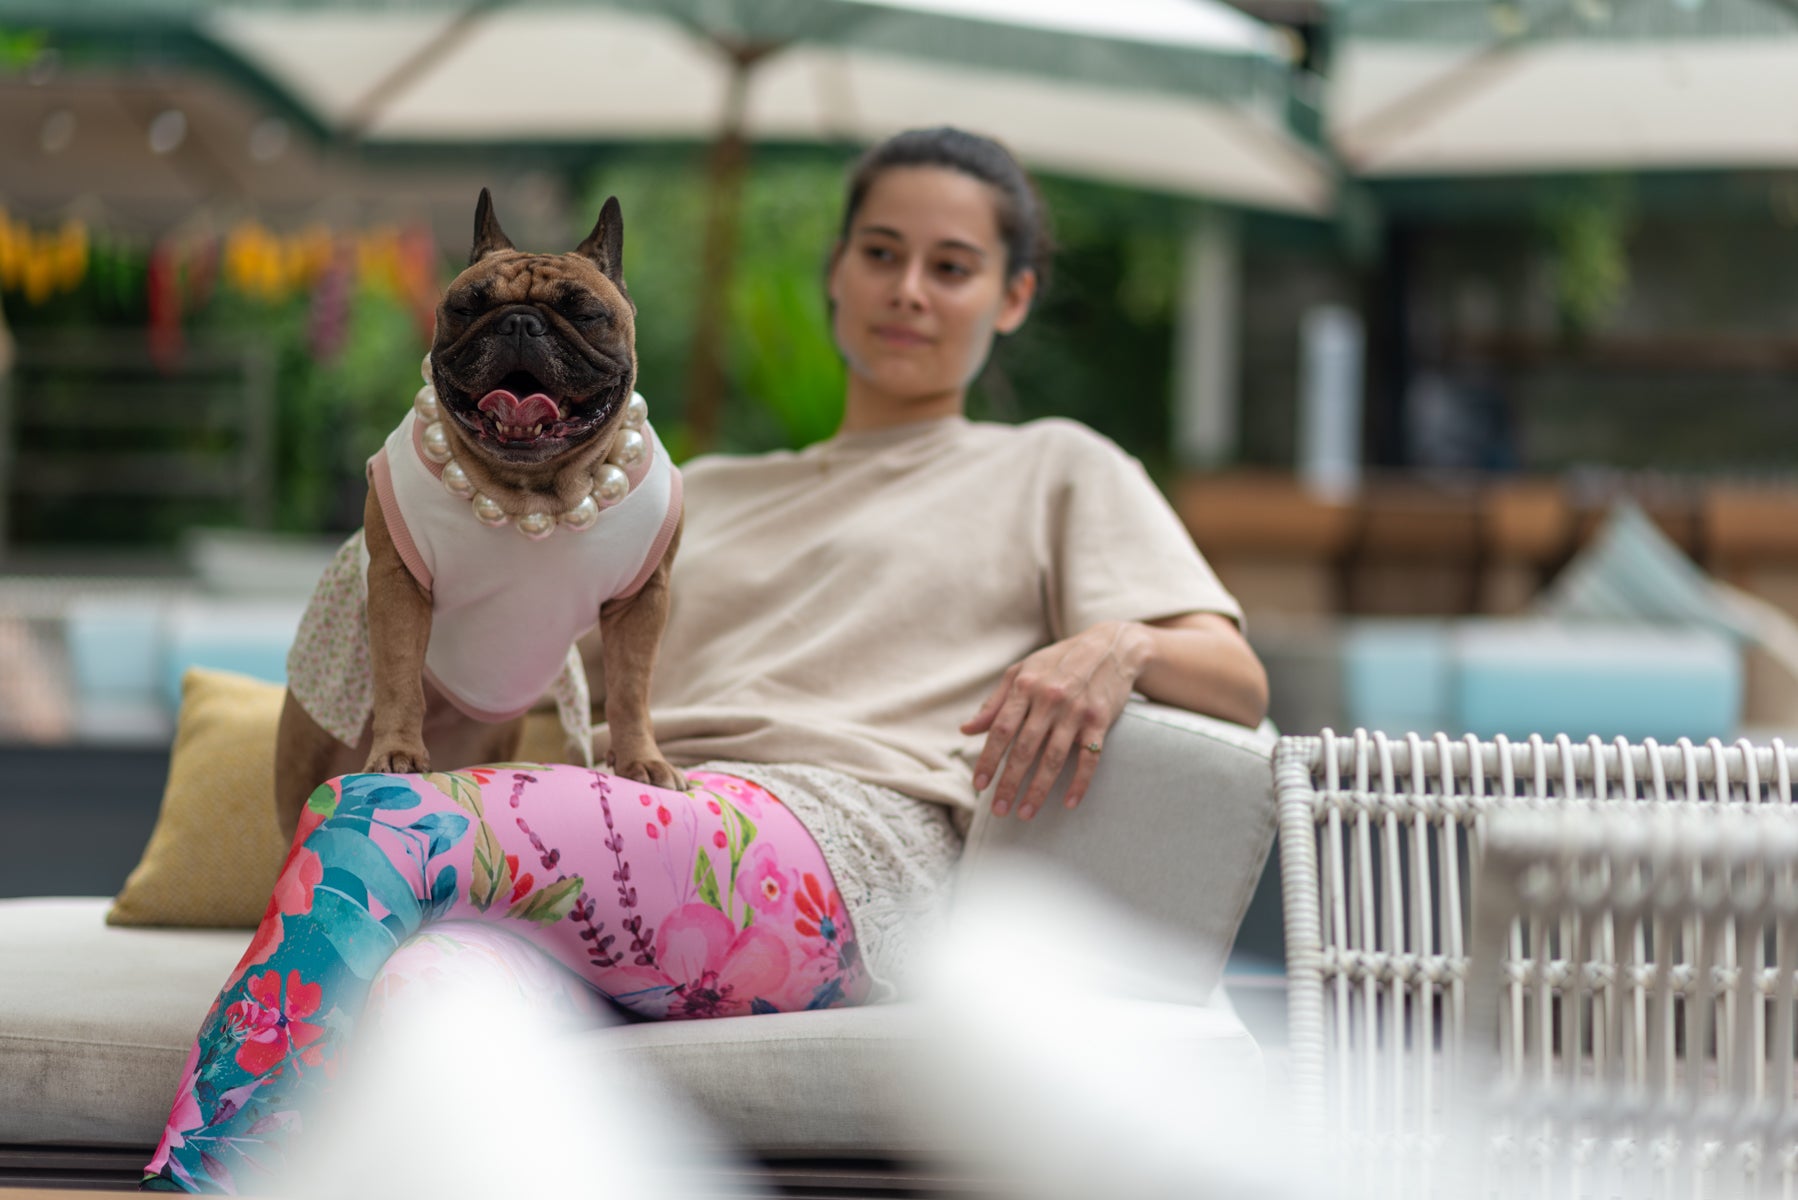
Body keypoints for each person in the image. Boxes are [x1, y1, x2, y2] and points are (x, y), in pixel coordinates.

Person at [141, 127, 1265, 1193]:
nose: (908, 290)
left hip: (835, 848)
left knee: (377, 819)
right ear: (836, 272)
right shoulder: (675, 487)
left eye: (953, 266)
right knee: (427, 1002)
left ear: (1012, 297)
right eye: (880, 253)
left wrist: (1113, 644)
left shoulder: (1053, 466)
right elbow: (494, 650)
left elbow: (1232, 676)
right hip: (620, 848)